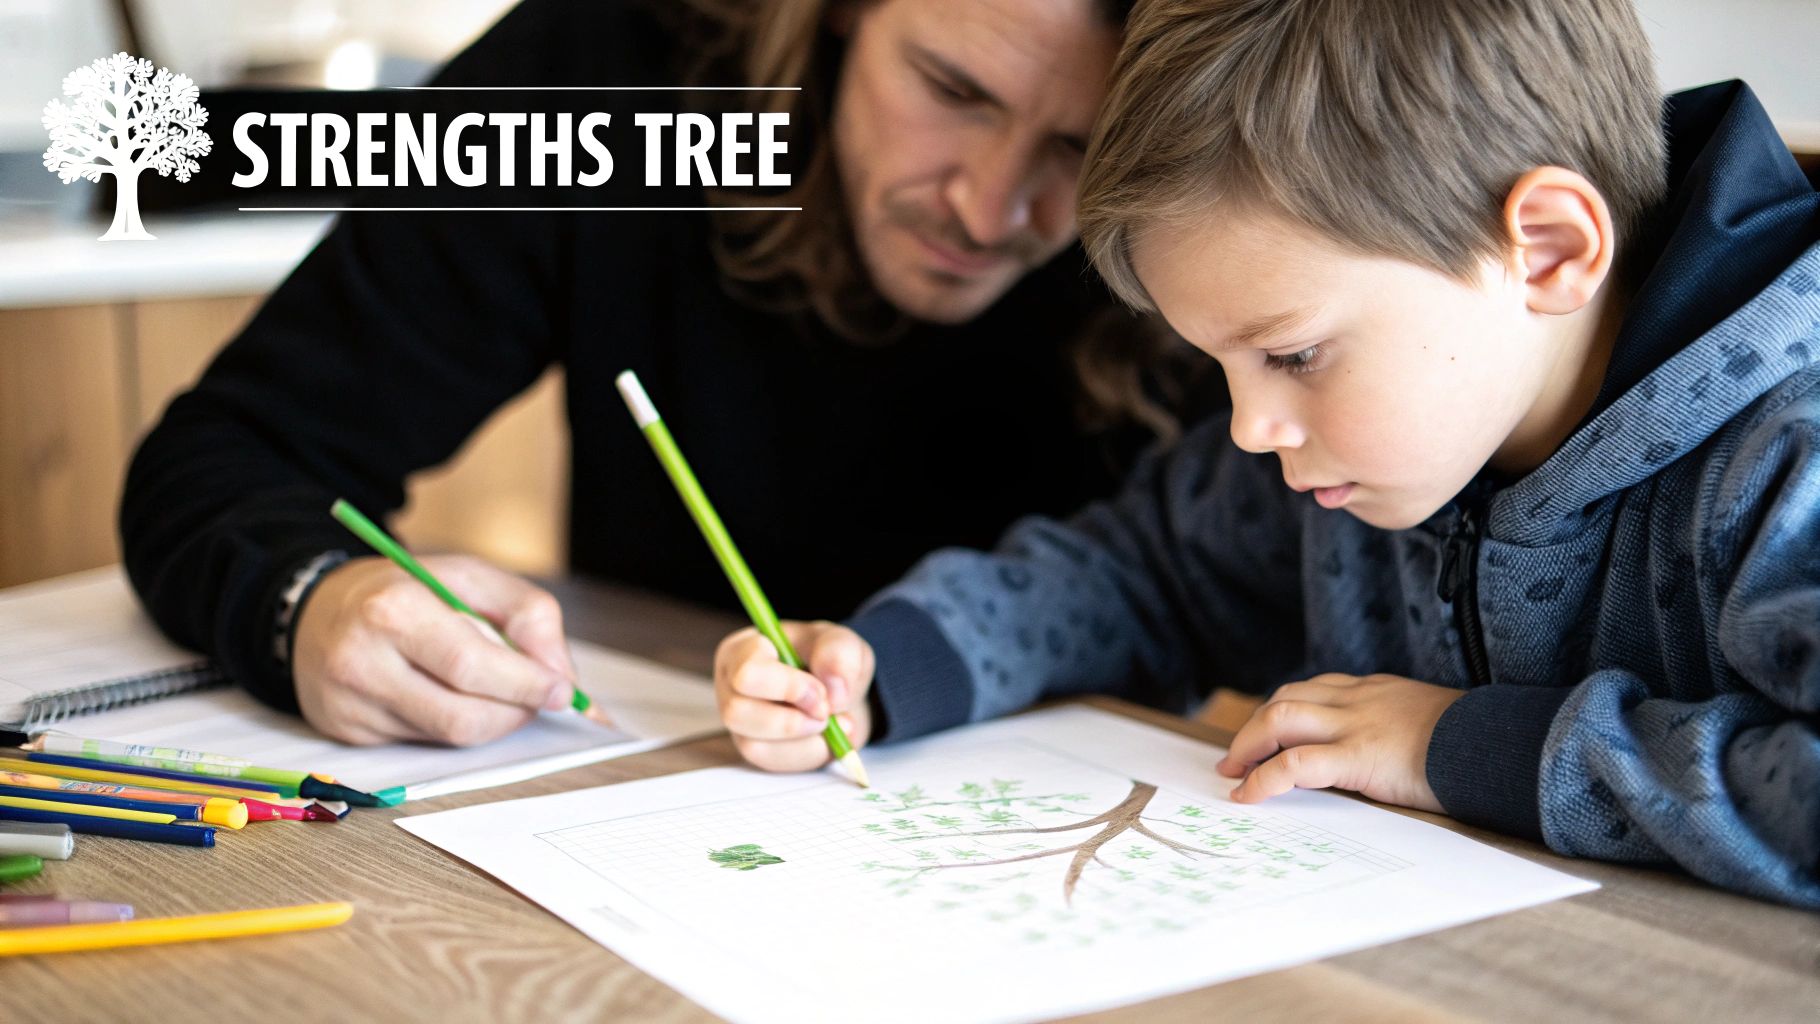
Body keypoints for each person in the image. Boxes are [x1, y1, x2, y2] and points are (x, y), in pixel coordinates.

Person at [712, 0, 1820, 907]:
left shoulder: (1787, 454)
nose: (1247, 429)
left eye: (1290, 354)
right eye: (1220, 364)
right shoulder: (1344, 446)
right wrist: (885, 668)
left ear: (1542, 251)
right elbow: (1134, 574)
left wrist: (1467, 746)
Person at [122, 0, 1205, 748]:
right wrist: (311, 600)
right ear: (839, 11)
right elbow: (222, 455)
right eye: (950, 88)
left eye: (1081, 148)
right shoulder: (606, 76)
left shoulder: (1222, 199)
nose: (985, 204)